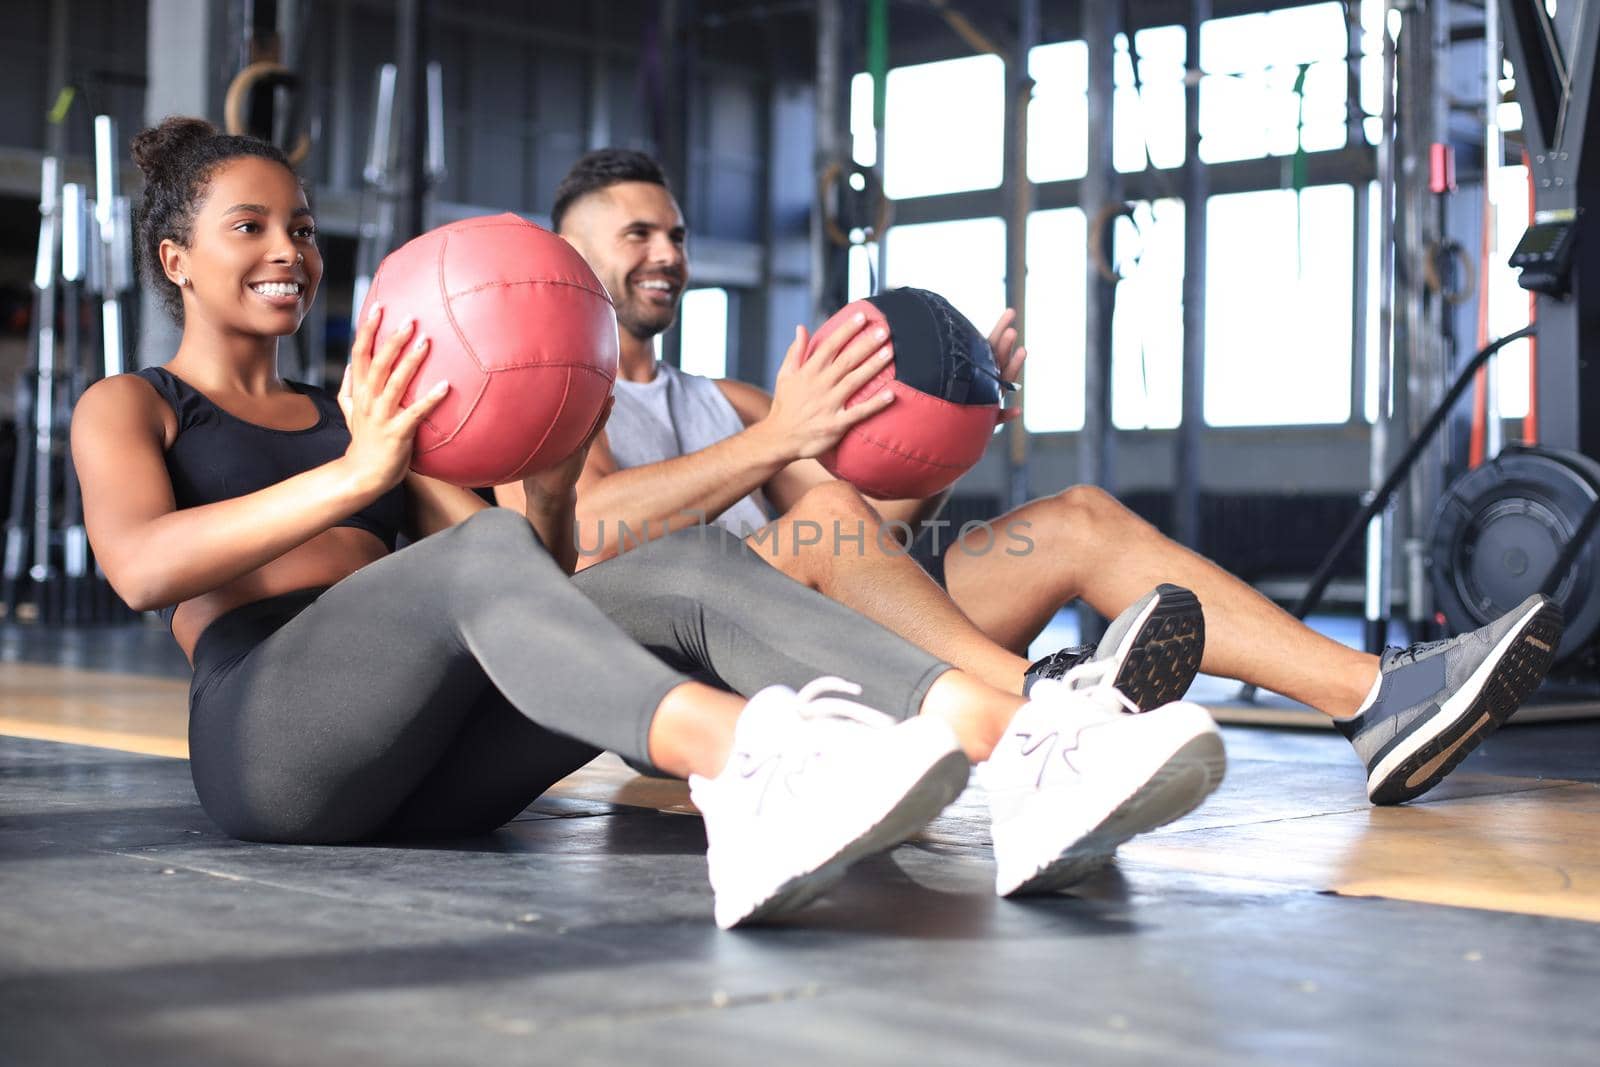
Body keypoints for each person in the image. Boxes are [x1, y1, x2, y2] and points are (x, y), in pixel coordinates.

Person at [71, 117, 1226, 931]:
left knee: (678, 558)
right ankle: (755, 769)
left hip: (429, 778)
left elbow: (532, 576)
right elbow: (138, 569)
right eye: (250, 227)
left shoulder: (364, 407)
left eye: (305, 226)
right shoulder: (133, 405)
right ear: (176, 257)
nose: (289, 250)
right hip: (270, 752)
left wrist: (560, 476)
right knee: (466, 543)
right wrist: (351, 474)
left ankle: (1023, 746)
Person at [532, 147, 1566, 807]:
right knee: (813, 521)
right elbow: (585, 535)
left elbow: (865, 544)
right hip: (668, 690)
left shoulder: (735, 400)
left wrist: (950, 436)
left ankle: (1377, 700)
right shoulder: (554, 390)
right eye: (638, 234)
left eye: (674, 231)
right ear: (571, 256)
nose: (667, 249)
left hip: (795, 637)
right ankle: (1039, 697)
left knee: (1073, 519)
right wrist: (778, 444)